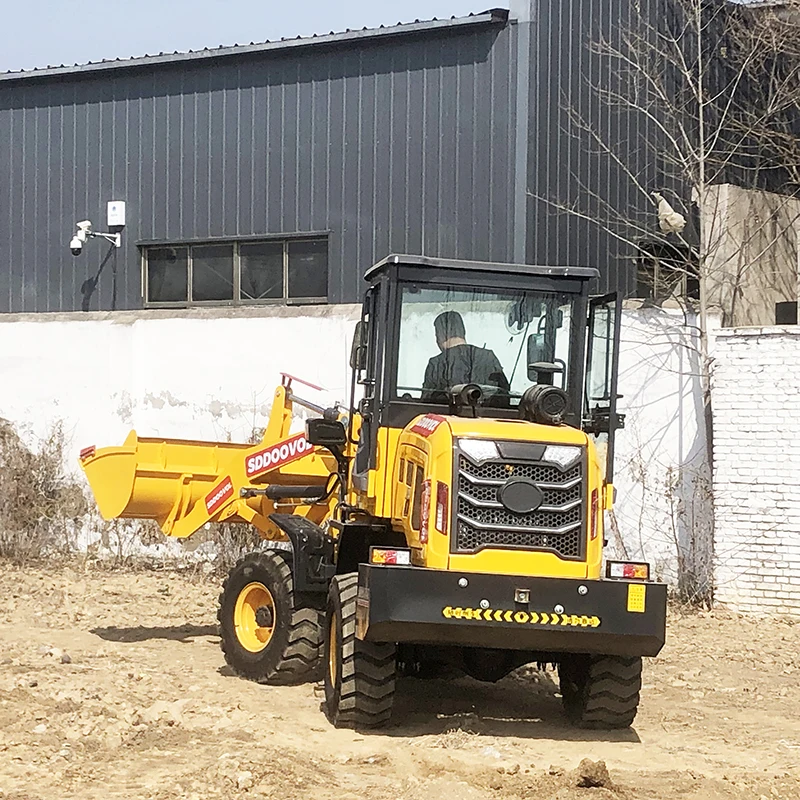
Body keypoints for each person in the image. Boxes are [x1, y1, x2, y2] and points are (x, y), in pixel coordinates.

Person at [422, 311, 510, 402]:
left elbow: (427, 402)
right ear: (463, 332)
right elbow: (504, 395)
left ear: (440, 336)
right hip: (490, 415)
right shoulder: (489, 357)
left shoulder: (436, 363)